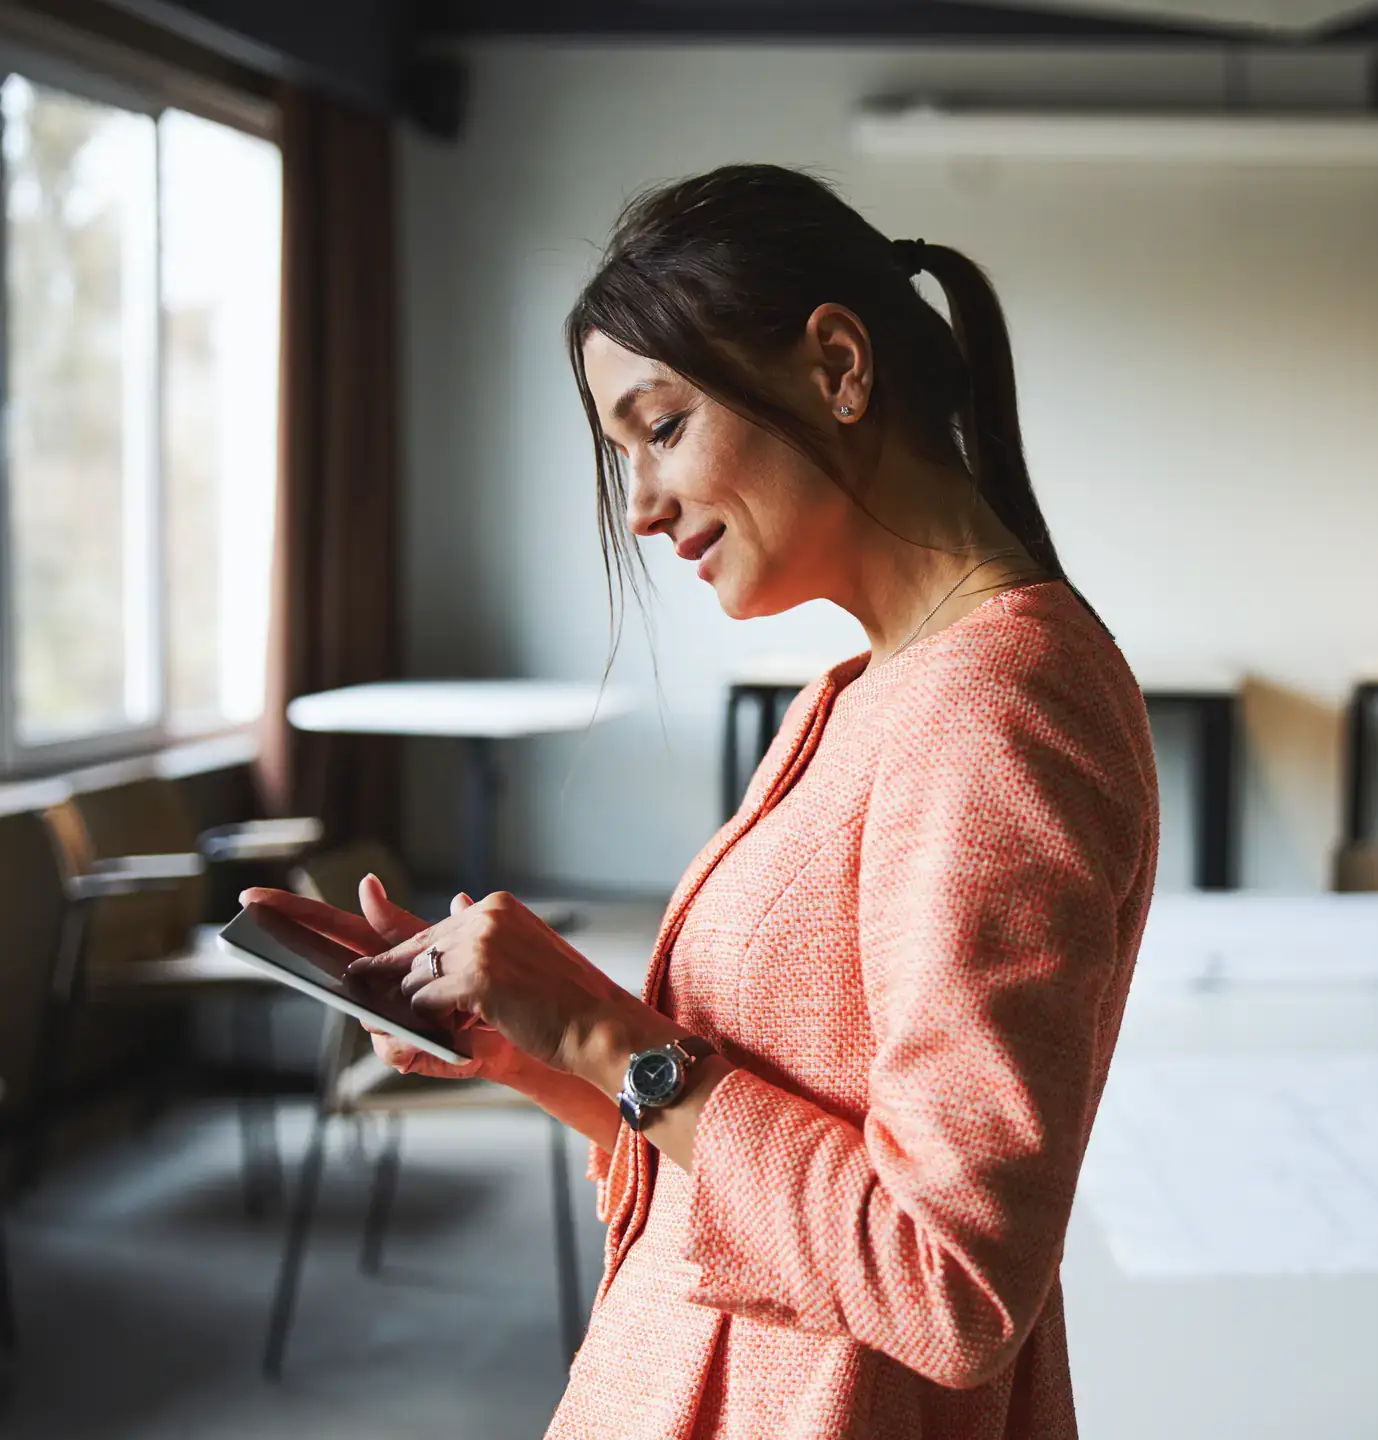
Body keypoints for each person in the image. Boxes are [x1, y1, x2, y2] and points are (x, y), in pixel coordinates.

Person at [244, 164, 1160, 1440]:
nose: (641, 508)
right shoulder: (865, 691)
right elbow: (751, 1145)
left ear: (838, 364)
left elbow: (950, 1280)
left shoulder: (997, 709)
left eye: (661, 427)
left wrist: (597, 1033)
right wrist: (538, 1046)